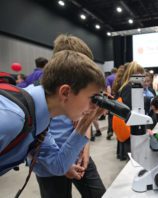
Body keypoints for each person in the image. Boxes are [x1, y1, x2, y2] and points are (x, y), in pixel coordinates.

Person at [0, 50, 105, 177]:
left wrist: (86, 122)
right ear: (65, 92)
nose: (94, 105)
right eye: (92, 97)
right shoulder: (11, 118)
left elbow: (58, 165)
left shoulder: (40, 119)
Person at [33, 34, 106, 198]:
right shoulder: (42, 96)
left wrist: (85, 151)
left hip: (77, 151)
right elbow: (44, 147)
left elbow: (83, 119)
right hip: (50, 163)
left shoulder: (78, 92)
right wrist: (63, 166)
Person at [106, 67, 117, 140]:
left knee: (110, 115)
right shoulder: (119, 77)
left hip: (112, 96)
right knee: (118, 115)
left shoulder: (108, 78)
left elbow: (108, 88)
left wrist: (109, 98)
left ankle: (110, 131)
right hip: (119, 97)